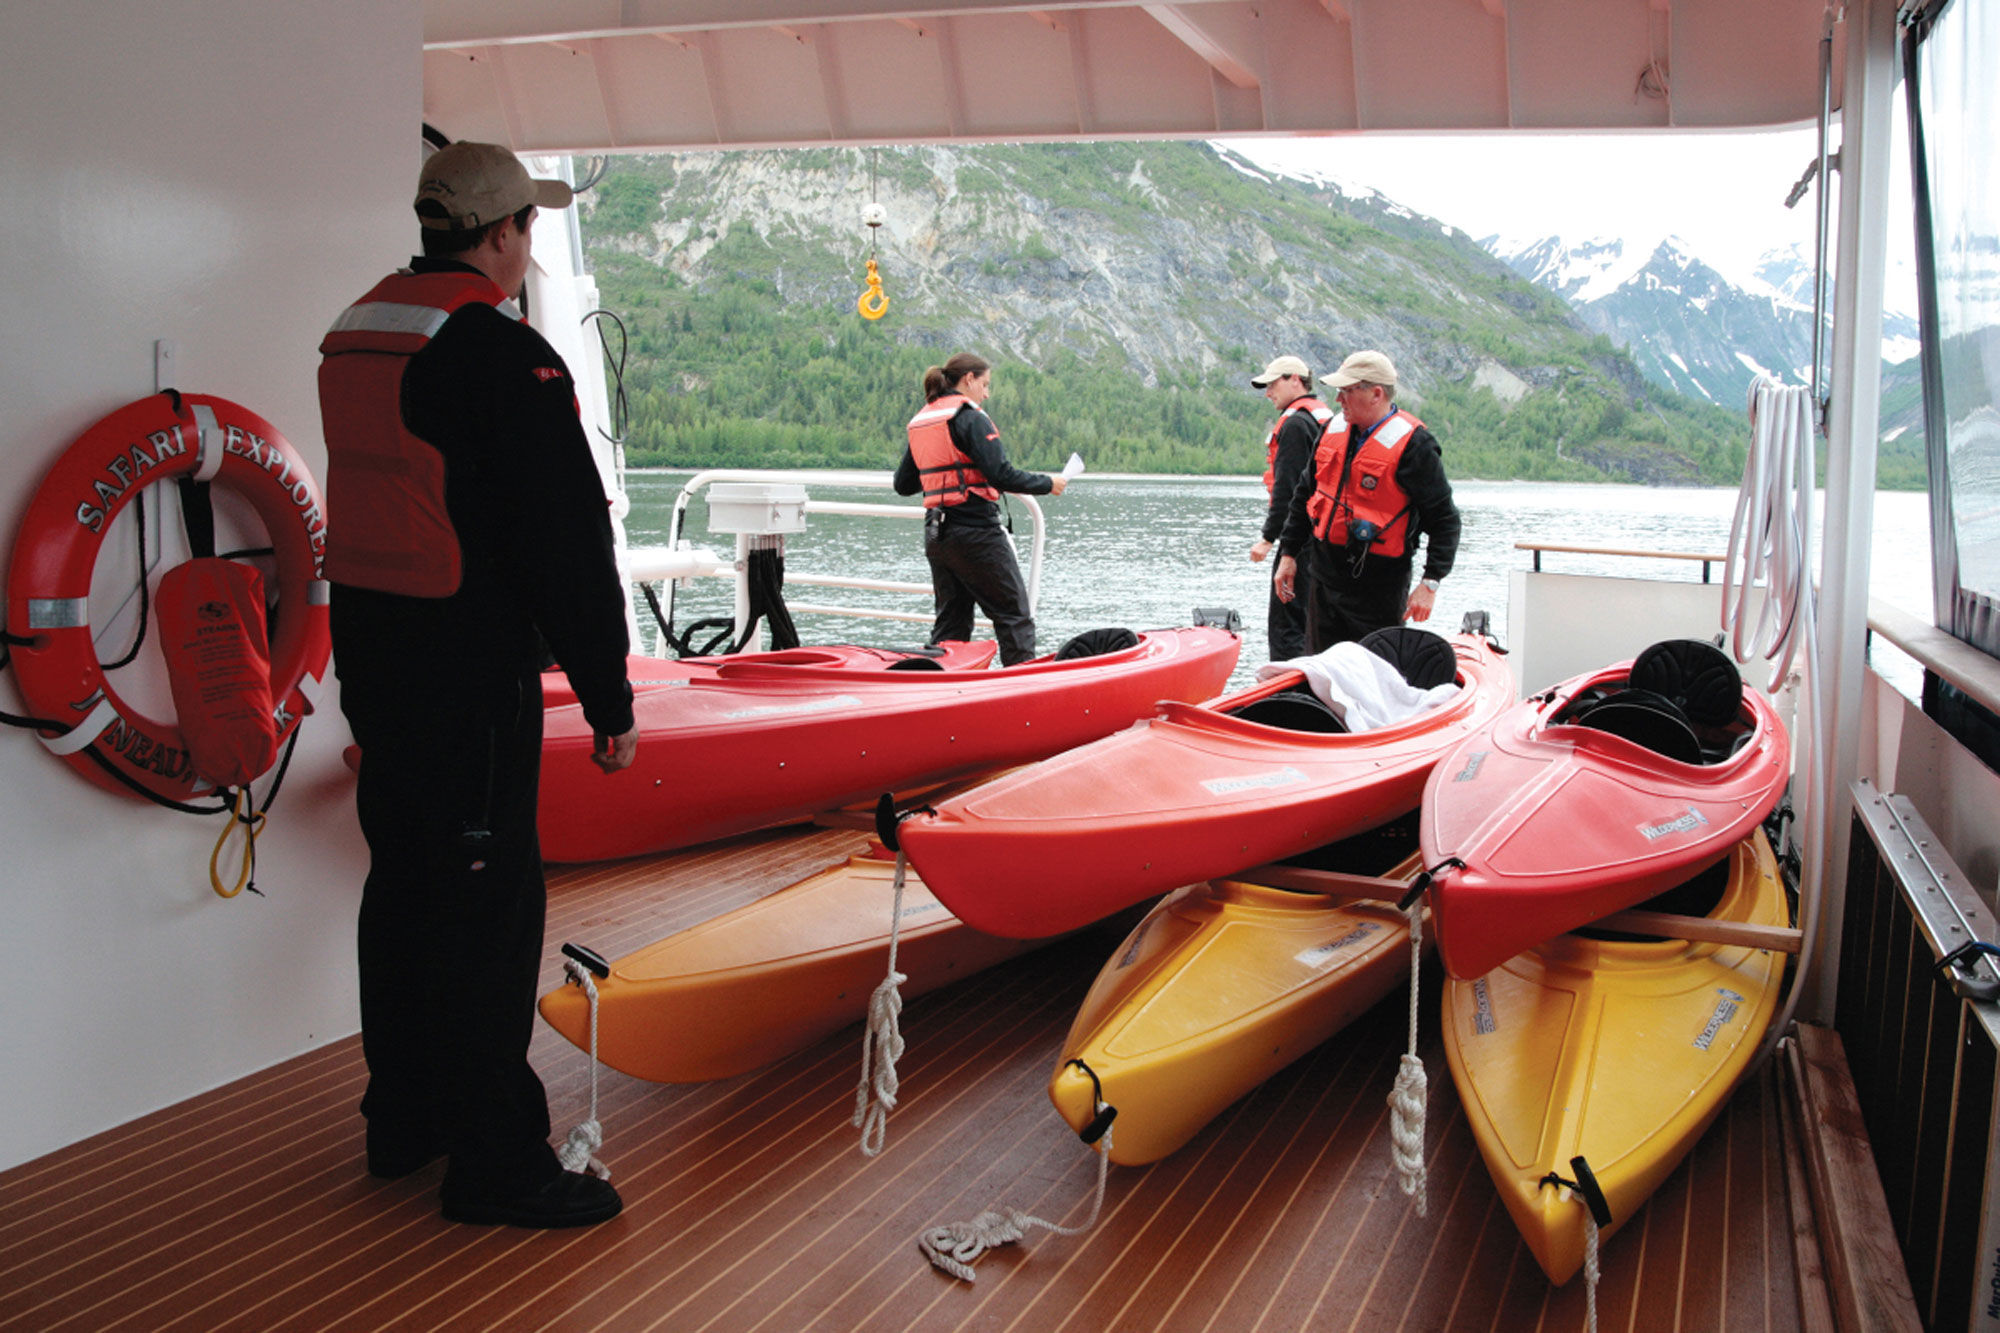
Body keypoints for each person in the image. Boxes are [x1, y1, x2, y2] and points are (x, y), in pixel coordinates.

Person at [317, 141, 639, 1229]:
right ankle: (496, 1162)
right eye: (526, 228)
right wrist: (609, 697)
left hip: (375, 662)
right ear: (503, 234)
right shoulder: (506, 357)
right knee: (488, 911)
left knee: (403, 888)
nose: (527, 245)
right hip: (466, 677)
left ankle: (401, 1120)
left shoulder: (358, 330)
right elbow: (566, 543)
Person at [1273, 350, 1460, 652]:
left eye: (1347, 391)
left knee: (1376, 671)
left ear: (1376, 393)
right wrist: (1289, 554)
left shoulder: (1416, 446)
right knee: (1320, 669)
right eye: (1339, 391)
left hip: (1380, 587)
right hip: (1324, 577)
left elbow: (1445, 520)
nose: (1338, 400)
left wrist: (1430, 583)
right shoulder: (1330, 431)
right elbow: (1304, 495)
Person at [893, 353, 1066, 665]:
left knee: (951, 624)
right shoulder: (970, 417)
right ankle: (1020, 692)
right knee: (1014, 616)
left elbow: (903, 484)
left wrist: (944, 470)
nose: (987, 393)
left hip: (937, 535)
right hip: (975, 532)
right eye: (985, 384)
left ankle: (941, 693)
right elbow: (1001, 474)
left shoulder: (924, 420)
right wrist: (1048, 483)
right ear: (968, 379)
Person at [1247, 355, 1338, 661]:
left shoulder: (1297, 425)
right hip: (1326, 535)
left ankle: (1289, 692)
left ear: (1295, 380)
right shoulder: (1322, 418)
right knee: (1314, 621)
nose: (1268, 392)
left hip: (1301, 539)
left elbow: (1289, 490)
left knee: (1287, 624)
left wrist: (1269, 538)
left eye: (1273, 384)